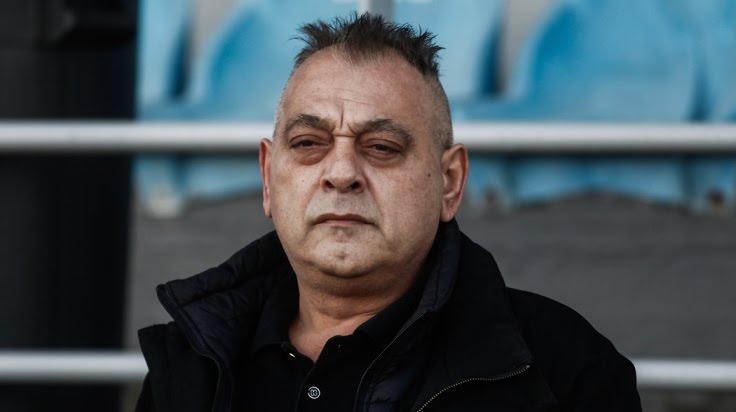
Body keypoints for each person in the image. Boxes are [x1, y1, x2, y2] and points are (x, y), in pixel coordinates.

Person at [136, 13, 642, 412]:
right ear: (269, 177)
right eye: (309, 143)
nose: (341, 173)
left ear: (450, 182)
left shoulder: (563, 370)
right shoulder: (190, 362)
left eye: (381, 147)